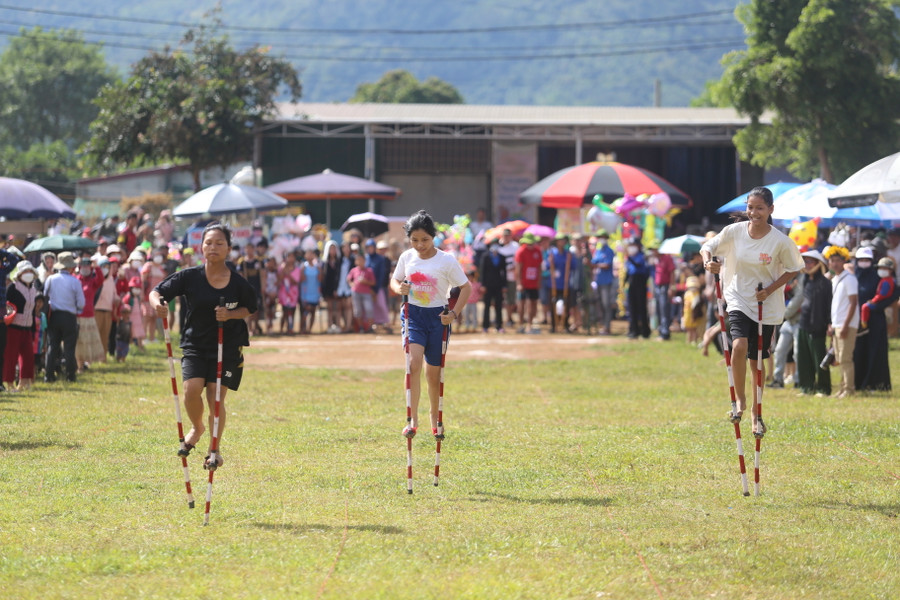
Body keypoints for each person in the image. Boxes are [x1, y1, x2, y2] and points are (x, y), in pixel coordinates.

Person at [149, 223, 258, 470]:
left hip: (226, 346)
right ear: (201, 247)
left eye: (220, 243)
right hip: (196, 345)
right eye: (208, 243)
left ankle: (214, 450)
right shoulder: (190, 277)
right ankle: (197, 427)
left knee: (215, 398)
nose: (213, 247)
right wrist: (157, 304)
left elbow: (251, 307)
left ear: (229, 248)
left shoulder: (238, 283)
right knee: (190, 391)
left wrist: (230, 315)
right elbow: (157, 292)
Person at [700, 186, 803, 436]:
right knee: (739, 346)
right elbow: (708, 247)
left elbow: (794, 268)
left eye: (759, 208)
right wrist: (708, 262)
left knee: (758, 359)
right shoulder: (734, 232)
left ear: (770, 210)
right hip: (737, 296)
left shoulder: (780, 240)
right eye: (750, 207)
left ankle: (757, 414)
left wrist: (770, 289)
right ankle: (739, 400)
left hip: (765, 303)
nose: (754, 212)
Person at [390, 210, 471, 439]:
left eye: (424, 239)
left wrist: (454, 313)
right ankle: (412, 420)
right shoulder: (407, 257)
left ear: (433, 236)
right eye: (414, 240)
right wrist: (399, 288)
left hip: (438, 318)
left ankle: (434, 418)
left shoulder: (446, 260)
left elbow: (466, 288)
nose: (419, 244)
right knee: (413, 364)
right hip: (413, 315)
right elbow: (395, 280)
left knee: (433, 374)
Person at [42, 252, 85, 383]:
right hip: (69, 317)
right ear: (70, 267)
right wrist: (76, 310)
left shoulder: (51, 279)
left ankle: (48, 375)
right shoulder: (75, 281)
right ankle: (70, 375)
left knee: (52, 346)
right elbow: (81, 303)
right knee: (69, 348)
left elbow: (45, 296)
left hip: (54, 316)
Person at [856, 255, 896, 391]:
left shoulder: (884, 280)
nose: (863, 262)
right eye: (861, 259)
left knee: (875, 352)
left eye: (866, 260)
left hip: (876, 320)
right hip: (858, 321)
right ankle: (858, 382)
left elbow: (889, 296)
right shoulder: (854, 276)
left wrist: (875, 305)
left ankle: (875, 383)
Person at [796, 249, 832, 397]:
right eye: (805, 261)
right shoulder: (805, 280)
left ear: (818, 263)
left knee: (819, 358)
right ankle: (807, 387)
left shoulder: (825, 282)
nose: (807, 264)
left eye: (810, 261)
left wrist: (829, 323)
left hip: (818, 325)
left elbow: (829, 304)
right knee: (803, 358)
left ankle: (823, 388)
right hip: (803, 323)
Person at [825, 245, 858, 398]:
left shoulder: (849, 278)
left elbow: (853, 302)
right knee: (839, 358)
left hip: (847, 324)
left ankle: (849, 389)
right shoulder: (836, 279)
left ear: (843, 261)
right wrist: (832, 323)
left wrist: (845, 325)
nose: (835, 263)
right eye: (832, 260)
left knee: (845, 358)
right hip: (837, 324)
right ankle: (843, 388)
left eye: (838, 260)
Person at [3, 261, 38, 392]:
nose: (28, 274)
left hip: (27, 327)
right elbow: (7, 306)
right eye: (25, 271)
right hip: (14, 327)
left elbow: (33, 311)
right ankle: (9, 383)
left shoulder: (33, 290)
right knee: (11, 356)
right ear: (19, 274)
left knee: (28, 356)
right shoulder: (13, 287)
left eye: (30, 271)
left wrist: (33, 328)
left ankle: (24, 381)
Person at [74, 257, 106, 372]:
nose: (85, 269)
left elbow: (101, 279)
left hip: (89, 316)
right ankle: (79, 365)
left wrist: (96, 266)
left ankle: (86, 363)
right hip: (77, 316)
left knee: (88, 342)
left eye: (87, 266)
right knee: (79, 342)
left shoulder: (92, 282)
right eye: (83, 266)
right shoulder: (76, 279)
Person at [514, 233, 543, 333]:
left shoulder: (538, 251)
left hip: (534, 283)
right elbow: (518, 269)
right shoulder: (521, 251)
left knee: (533, 303)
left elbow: (539, 267)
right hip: (523, 282)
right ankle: (521, 323)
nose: (530, 245)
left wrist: (539, 281)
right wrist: (518, 283)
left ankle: (530, 324)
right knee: (521, 304)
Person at [624, 238, 651, 339]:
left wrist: (628, 257)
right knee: (632, 307)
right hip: (632, 282)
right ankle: (633, 330)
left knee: (641, 307)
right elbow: (628, 270)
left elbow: (638, 265)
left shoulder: (642, 256)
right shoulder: (630, 258)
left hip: (640, 282)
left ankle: (645, 331)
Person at [647, 243, 675, 340]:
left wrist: (671, 287)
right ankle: (660, 331)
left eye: (654, 249)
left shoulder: (667, 258)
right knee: (658, 310)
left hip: (665, 286)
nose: (652, 252)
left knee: (664, 310)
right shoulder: (656, 260)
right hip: (657, 286)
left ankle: (665, 333)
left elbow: (672, 272)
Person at [591, 230, 615, 335]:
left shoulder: (609, 251)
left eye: (602, 237)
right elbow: (593, 263)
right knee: (600, 305)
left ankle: (607, 327)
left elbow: (607, 265)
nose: (601, 239)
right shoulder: (598, 251)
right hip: (598, 281)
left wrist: (596, 265)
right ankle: (603, 325)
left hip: (607, 282)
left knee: (606, 305)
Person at [479, 242, 506, 332]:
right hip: (487, 285)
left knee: (498, 306)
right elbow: (482, 271)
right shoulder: (485, 256)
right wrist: (482, 285)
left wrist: (504, 285)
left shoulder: (502, 257)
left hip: (498, 285)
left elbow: (504, 272)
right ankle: (485, 326)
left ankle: (499, 326)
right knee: (487, 305)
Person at [347, 253, 376, 333]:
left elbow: (373, 282)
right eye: (358, 260)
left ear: (365, 261)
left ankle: (370, 328)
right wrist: (351, 284)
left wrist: (365, 282)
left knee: (369, 309)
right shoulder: (353, 270)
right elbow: (349, 279)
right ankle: (361, 328)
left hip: (366, 293)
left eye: (362, 260)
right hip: (355, 292)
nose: (360, 262)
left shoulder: (369, 270)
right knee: (357, 311)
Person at [299, 248, 323, 334]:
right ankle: (302, 328)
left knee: (313, 311)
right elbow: (301, 280)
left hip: (315, 292)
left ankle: (309, 329)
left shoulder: (318, 267)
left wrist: (320, 271)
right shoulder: (303, 267)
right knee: (306, 310)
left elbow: (320, 280)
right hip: (306, 293)